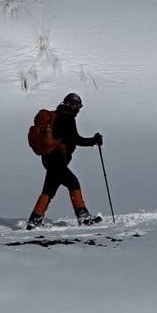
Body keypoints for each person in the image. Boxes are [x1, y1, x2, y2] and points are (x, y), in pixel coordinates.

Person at [27, 92, 103, 229]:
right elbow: (75, 139)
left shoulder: (58, 115)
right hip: (57, 160)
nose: (77, 109)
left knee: (49, 189)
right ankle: (83, 217)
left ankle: (35, 219)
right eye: (76, 106)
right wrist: (94, 141)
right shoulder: (67, 118)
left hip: (48, 159)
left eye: (78, 106)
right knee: (73, 182)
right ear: (71, 105)